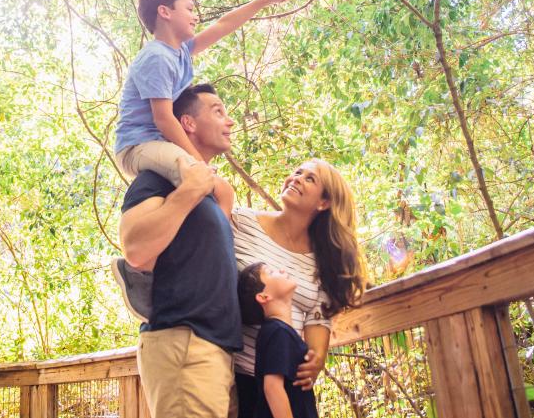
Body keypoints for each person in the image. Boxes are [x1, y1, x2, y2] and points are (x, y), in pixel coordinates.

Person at [111, 0, 291, 321]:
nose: (196, 15)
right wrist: (196, 163)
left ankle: (208, 260)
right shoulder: (156, 58)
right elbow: (164, 119)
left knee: (220, 189)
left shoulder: (180, 52)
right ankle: (140, 276)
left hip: (155, 143)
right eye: (189, 8)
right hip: (138, 146)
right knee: (215, 185)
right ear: (165, 12)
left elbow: (224, 26)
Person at [118, 84, 241, 418]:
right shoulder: (156, 178)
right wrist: (189, 191)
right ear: (187, 123)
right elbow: (136, 248)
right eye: (218, 111)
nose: (230, 121)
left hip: (218, 350)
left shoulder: (213, 196)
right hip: (185, 345)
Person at [231, 160, 368, 418]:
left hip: (287, 383)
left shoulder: (323, 261)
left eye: (309, 178)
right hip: (234, 374)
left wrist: (314, 361)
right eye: (296, 172)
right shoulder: (241, 221)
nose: (296, 178)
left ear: (324, 203)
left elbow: (319, 321)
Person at [237, 262, 318, 418]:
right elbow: (272, 387)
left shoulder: (278, 331)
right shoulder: (278, 332)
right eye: (271, 271)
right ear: (263, 297)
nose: (281, 269)